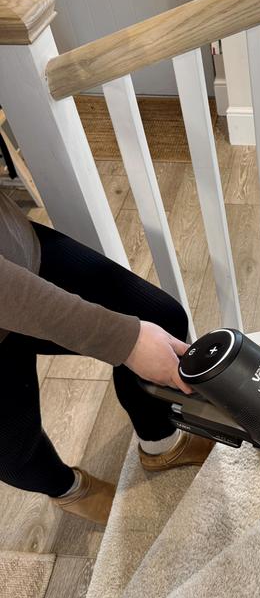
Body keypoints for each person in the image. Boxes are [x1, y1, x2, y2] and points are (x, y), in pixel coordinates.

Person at [0, 191, 212, 525]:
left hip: (15, 252)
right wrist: (122, 340)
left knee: (161, 317)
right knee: (14, 452)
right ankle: (68, 489)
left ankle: (161, 445)